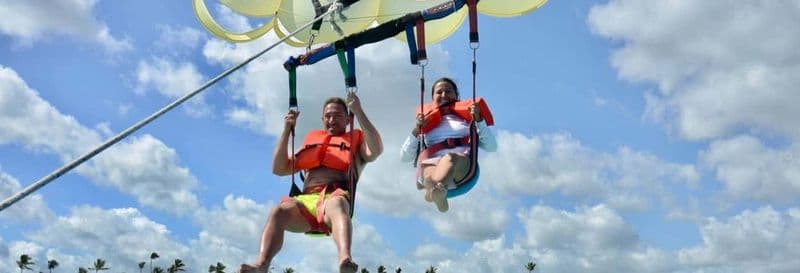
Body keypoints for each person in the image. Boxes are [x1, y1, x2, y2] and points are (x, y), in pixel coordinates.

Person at [241, 92, 383, 273]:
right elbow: (278, 168)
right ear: (322, 119)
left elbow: (376, 150)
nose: (332, 120)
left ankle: (345, 259)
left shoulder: (356, 142)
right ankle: (262, 265)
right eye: (328, 116)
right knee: (277, 211)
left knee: (337, 203)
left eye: (338, 115)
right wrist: (287, 129)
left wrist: (359, 111)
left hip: (334, 197)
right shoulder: (313, 141)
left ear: (348, 120)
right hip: (306, 203)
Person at [400, 77, 496, 212]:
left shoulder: (467, 119)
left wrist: (479, 120)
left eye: (449, 91)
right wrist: (417, 130)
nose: (444, 95)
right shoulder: (427, 122)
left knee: (449, 158)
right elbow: (404, 157)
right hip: (432, 164)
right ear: (433, 98)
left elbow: (492, 147)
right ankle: (439, 195)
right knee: (428, 169)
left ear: (457, 96)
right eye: (439, 92)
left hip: (461, 166)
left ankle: (433, 191)